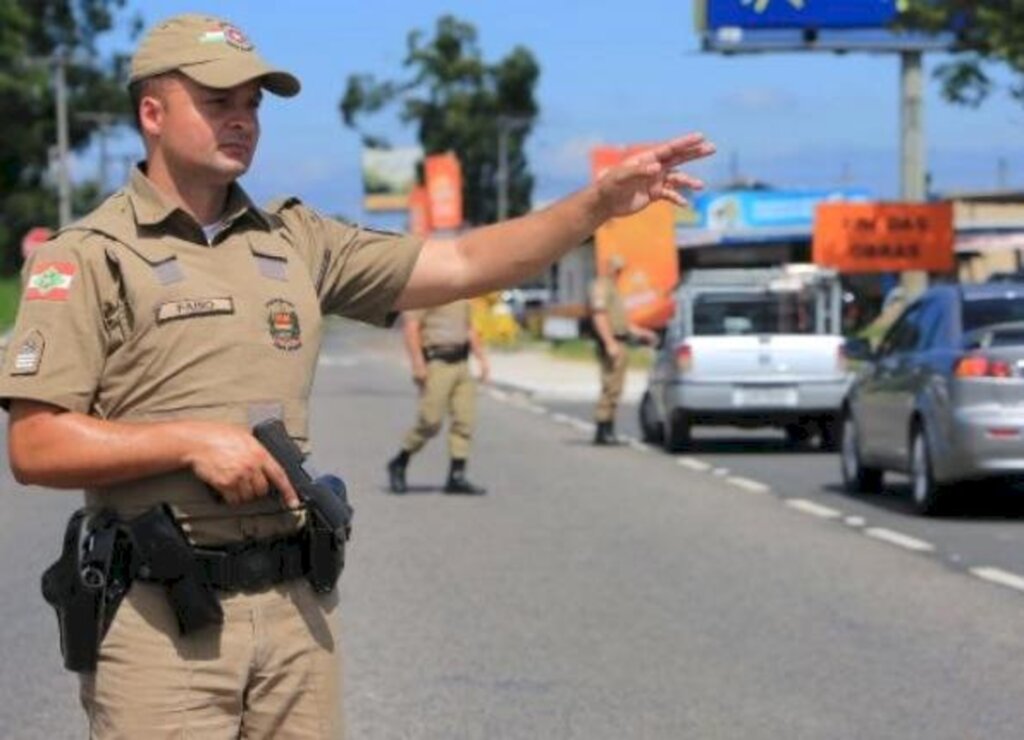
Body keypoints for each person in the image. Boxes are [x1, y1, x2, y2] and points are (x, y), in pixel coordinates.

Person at [0, 12, 714, 739]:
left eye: (253, 105)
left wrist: (594, 205)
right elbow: (36, 446)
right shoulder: (88, 256)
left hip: (294, 615)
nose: (242, 120)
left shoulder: (297, 239)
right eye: (218, 103)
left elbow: (464, 263)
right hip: (161, 621)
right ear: (152, 113)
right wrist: (189, 443)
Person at [386, 299, 489, 495]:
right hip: (437, 363)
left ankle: (456, 476)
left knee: (464, 421)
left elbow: (469, 328)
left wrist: (481, 358)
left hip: (461, 364)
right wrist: (418, 364)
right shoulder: (431, 293)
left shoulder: (463, 295)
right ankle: (400, 462)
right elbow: (412, 328)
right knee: (430, 421)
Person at [589, 254, 658, 445]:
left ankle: (608, 428)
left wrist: (643, 333)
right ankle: (603, 429)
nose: (619, 272)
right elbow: (599, 316)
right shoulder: (602, 286)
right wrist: (609, 342)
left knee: (616, 387)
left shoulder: (614, 288)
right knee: (610, 386)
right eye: (616, 268)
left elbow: (622, 323)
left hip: (621, 340)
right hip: (612, 342)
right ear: (608, 268)